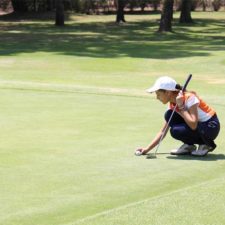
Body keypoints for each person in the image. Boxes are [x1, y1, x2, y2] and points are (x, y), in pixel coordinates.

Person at [136, 76, 220, 156]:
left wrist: (181, 107)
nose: (157, 97)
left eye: (158, 94)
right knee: (169, 115)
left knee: (176, 130)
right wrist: (147, 149)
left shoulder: (189, 98)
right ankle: (189, 145)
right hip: (199, 127)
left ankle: (204, 144)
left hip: (210, 127)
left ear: (168, 92)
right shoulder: (172, 104)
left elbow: (193, 125)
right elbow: (163, 131)